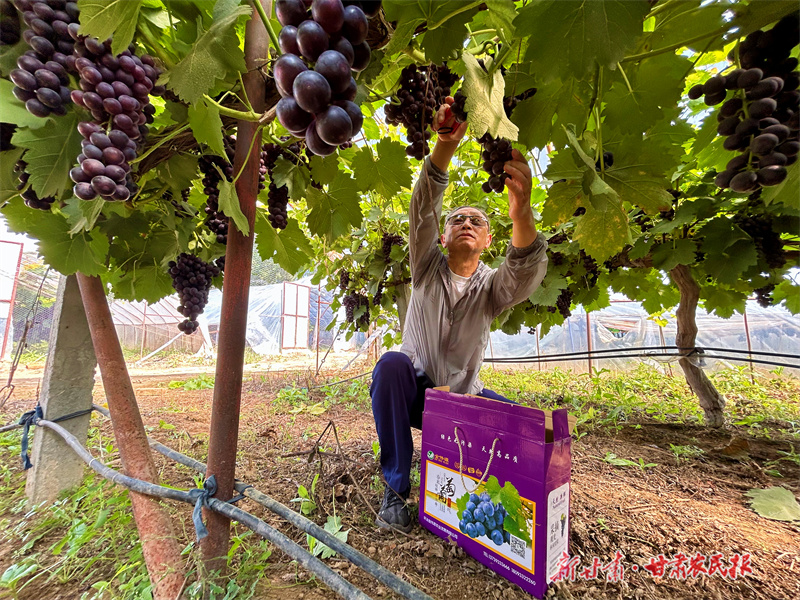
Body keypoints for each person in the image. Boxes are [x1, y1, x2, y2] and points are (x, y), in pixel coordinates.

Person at [370, 98, 549, 532]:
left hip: (462, 401)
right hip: (414, 396)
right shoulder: (426, 267)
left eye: (477, 221)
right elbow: (421, 213)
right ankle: (395, 490)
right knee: (391, 364)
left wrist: (522, 214)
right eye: (457, 220)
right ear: (444, 235)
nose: (467, 222)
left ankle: (516, 509)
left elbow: (523, 273)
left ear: (488, 240)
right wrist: (444, 148)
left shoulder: (491, 286)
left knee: (531, 428)